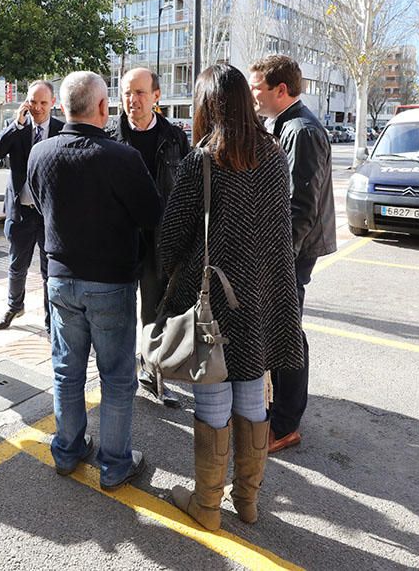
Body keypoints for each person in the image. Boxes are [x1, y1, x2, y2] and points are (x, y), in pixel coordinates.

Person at [160, 64, 304, 531]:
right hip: (265, 296)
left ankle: (206, 506)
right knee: (251, 391)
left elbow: (171, 238)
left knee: (214, 391)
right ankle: (247, 501)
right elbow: (280, 229)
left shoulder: (203, 158)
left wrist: (164, 280)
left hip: (215, 300)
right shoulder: (274, 154)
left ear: (207, 105)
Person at [27, 71, 162, 490]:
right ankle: (115, 463)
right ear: (103, 108)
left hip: (61, 281)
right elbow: (152, 217)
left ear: (64, 107)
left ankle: (67, 450)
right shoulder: (122, 159)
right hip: (111, 283)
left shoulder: (40, 153)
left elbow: (38, 205)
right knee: (117, 377)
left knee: (66, 370)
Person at [249, 55, 337, 454]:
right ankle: (280, 415)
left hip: (292, 256)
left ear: (281, 90)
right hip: (288, 253)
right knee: (282, 333)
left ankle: (284, 425)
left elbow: (301, 208)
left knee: (287, 336)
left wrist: (280, 262)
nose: (253, 96)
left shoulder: (301, 131)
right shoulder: (285, 126)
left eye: (258, 89)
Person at [106, 67, 189, 405]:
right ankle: (123, 373)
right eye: (127, 92)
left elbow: (186, 191)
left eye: (139, 93)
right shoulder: (109, 135)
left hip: (160, 240)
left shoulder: (174, 137)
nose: (132, 100)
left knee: (154, 312)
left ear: (156, 96)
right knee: (118, 311)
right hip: (119, 240)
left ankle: (153, 372)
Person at [0, 81, 63, 333]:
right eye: (33, 101)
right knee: (17, 265)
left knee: (48, 270)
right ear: (26, 102)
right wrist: (15, 124)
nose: (38, 107)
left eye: (43, 102)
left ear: (53, 103)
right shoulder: (17, 129)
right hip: (22, 211)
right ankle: (14, 306)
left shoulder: (62, 131)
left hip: (50, 216)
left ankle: (51, 318)